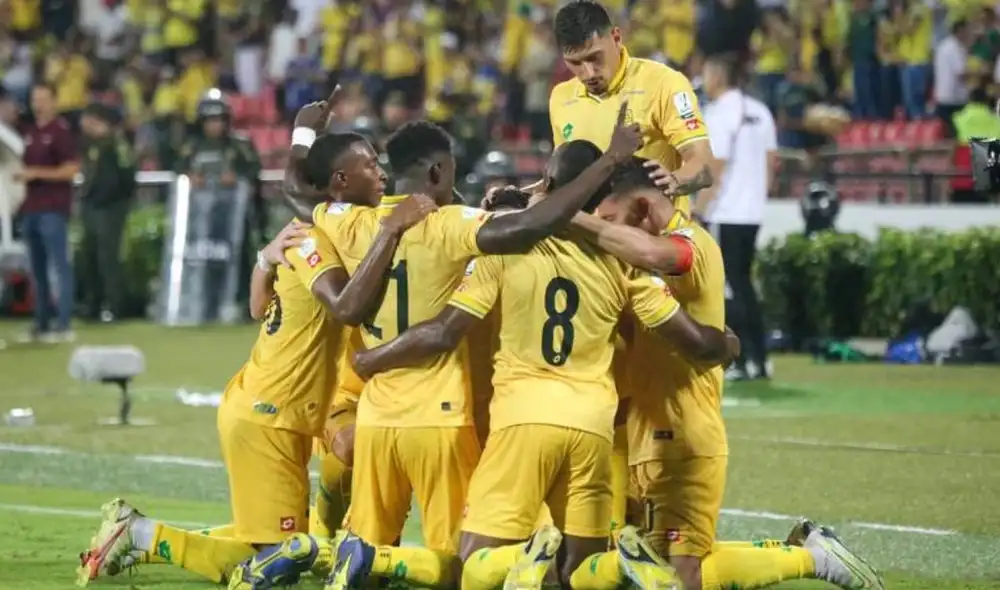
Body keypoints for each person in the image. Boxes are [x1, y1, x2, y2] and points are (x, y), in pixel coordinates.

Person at [76, 99, 435, 590]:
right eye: (370, 164)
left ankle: (320, 536)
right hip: (269, 415)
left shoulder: (327, 226)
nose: (383, 175)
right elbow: (345, 306)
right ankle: (144, 536)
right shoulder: (317, 239)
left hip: (286, 410)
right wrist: (388, 228)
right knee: (283, 557)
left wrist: (264, 262)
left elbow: (257, 303)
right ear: (340, 182)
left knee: (307, 511)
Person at [350, 139, 735, 590]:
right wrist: (725, 343)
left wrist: (370, 359)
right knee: (582, 574)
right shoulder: (622, 263)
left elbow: (445, 329)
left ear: (549, 184)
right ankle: (631, 567)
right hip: (591, 425)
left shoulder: (504, 251)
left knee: (473, 565)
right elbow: (689, 337)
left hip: (523, 420)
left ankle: (520, 556)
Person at [301, 110, 640, 590]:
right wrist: (609, 161)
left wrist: (302, 138)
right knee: (458, 565)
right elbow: (525, 229)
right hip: (441, 417)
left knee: (368, 556)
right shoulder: (453, 226)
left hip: (376, 417)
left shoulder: (346, 221)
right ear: (439, 172)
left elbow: (301, 189)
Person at [569, 159, 885, 590]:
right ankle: (810, 553)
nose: (607, 232)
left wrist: (563, 212)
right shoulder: (640, 263)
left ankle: (811, 560)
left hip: (684, 438)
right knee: (651, 567)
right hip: (643, 436)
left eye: (609, 219)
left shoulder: (688, 243)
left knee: (678, 576)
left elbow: (662, 269)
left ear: (643, 207)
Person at [547, 0, 715, 217]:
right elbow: (564, 180)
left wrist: (675, 180)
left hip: (654, 239)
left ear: (616, 38)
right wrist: (521, 195)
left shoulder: (663, 83)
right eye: (575, 63)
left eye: (594, 57)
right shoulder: (561, 97)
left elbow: (703, 165)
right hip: (589, 242)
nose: (588, 73)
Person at [696, 54, 777, 380]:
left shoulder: (719, 114)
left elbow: (716, 167)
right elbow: (772, 162)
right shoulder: (761, 111)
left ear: (717, 75)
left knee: (731, 286)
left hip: (727, 211)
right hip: (752, 211)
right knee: (744, 284)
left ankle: (742, 360)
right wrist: (759, 196)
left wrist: (699, 208)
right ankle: (760, 358)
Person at [15, 82, 80, 344]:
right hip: (31, 207)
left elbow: (71, 170)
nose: (38, 104)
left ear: (54, 101)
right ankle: (41, 323)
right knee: (37, 268)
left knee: (59, 266)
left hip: (53, 207)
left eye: (43, 99)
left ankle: (63, 324)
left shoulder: (61, 132)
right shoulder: (30, 132)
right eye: (35, 99)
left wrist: (36, 174)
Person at [77, 103, 136, 323]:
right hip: (92, 207)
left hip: (111, 208)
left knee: (107, 258)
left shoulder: (117, 145)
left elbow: (128, 177)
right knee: (89, 256)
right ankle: (93, 305)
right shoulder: (92, 145)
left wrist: (115, 200)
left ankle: (116, 307)